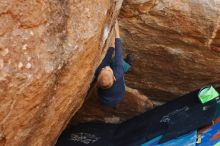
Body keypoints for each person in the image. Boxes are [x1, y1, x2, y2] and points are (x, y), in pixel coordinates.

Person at [94, 21, 134, 107]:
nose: (106, 67)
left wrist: (111, 45)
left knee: (112, 62)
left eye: (104, 69)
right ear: (114, 78)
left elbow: (109, 53)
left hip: (105, 99)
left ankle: (112, 105)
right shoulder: (118, 74)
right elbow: (118, 54)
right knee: (116, 62)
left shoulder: (98, 71)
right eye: (108, 70)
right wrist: (116, 32)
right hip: (119, 95)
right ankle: (128, 67)